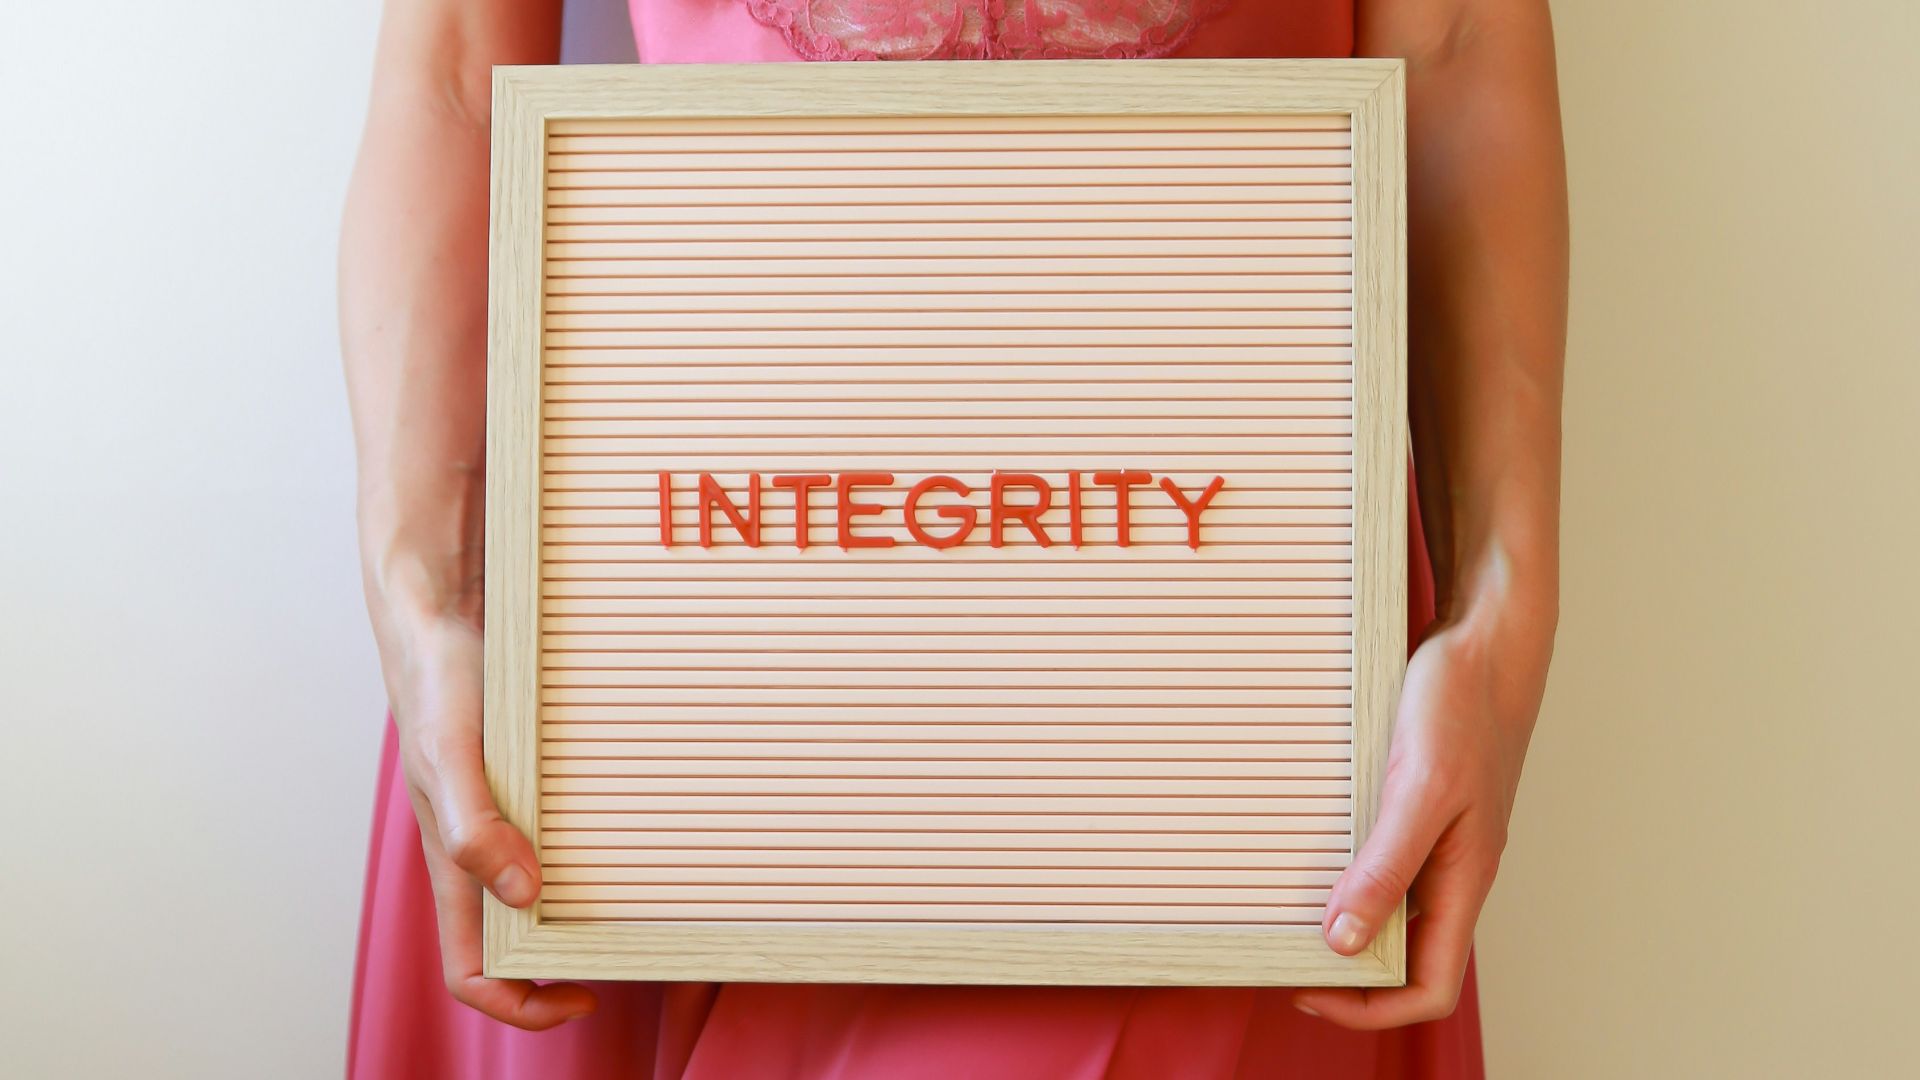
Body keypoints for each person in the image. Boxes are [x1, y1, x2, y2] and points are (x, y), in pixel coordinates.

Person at [339, 1, 1567, 1075]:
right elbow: (450, 72)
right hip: (677, 637)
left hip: (1209, 681)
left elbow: (1455, 47)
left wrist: (1500, 619)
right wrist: (426, 607)